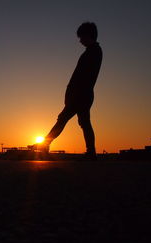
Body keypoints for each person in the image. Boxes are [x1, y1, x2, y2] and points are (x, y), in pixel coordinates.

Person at [37, 22, 102, 159]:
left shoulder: (93, 52)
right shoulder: (92, 51)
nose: (80, 40)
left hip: (81, 94)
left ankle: (44, 145)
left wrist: (72, 94)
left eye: (81, 37)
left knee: (64, 119)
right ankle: (91, 152)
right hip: (83, 93)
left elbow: (82, 76)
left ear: (88, 35)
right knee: (83, 122)